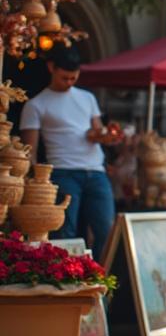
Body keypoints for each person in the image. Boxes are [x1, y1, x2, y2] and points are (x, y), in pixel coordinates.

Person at [19, 47, 121, 260]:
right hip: (63, 172)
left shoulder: (87, 98)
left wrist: (106, 136)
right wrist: (34, 183)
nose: (69, 83)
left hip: (95, 170)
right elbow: (30, 150)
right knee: (64, 231)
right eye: (64, 78)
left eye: (74, 78)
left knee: (107, 229)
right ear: (51, 68)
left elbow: (96, 130)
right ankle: (66, 280)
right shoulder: (36, 104)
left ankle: (101, 281)